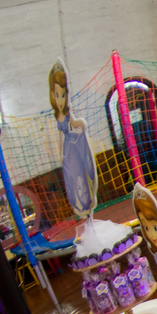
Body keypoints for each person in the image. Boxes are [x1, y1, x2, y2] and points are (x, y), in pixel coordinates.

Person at [48, 63, 98, 218]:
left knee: (81, 172)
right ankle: (80, 203)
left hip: (74, 144)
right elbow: (59, 137)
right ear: (53, 96)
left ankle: (87, 201)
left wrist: (81, 123)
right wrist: (60, 154)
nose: (60, 100)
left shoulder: (67, 114)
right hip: (68, 150)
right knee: (73, 175)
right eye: (58, 95)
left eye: (63, 95)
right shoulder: (58, 116)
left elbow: (75, 124)